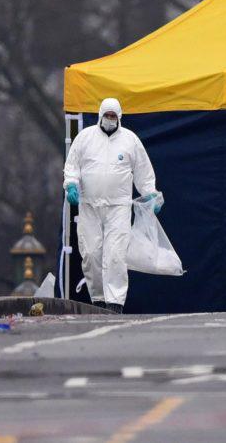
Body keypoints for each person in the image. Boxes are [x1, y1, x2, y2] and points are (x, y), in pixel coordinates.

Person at [63, 98, 162, 313]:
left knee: (115, 254)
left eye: (113, 116)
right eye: (106, 115)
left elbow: (144, 171)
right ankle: (98, 298)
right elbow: (72, 165)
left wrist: (150, 194)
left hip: (119, 207)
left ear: (119, 117)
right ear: (100, 115)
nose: (109, 119)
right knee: (90, 253)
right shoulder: (85, 138)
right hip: (89, 206)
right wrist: (71, 184)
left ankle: (115, 302)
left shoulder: (130, 141)